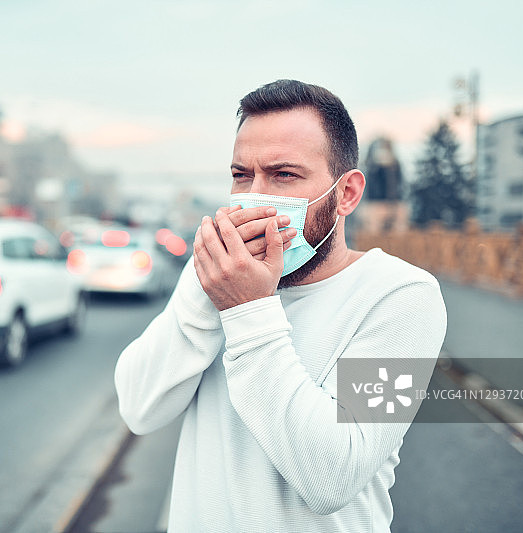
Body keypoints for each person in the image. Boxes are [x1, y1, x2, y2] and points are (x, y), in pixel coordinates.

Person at [114, 79, 447, 532]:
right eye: (241, 175)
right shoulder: (215, 273)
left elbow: (334, 477)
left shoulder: (404, 296)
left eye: (284, 175)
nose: (255, 195)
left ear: (347, 194)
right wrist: (207, 291)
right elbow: (139, 408)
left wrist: (247, 308)